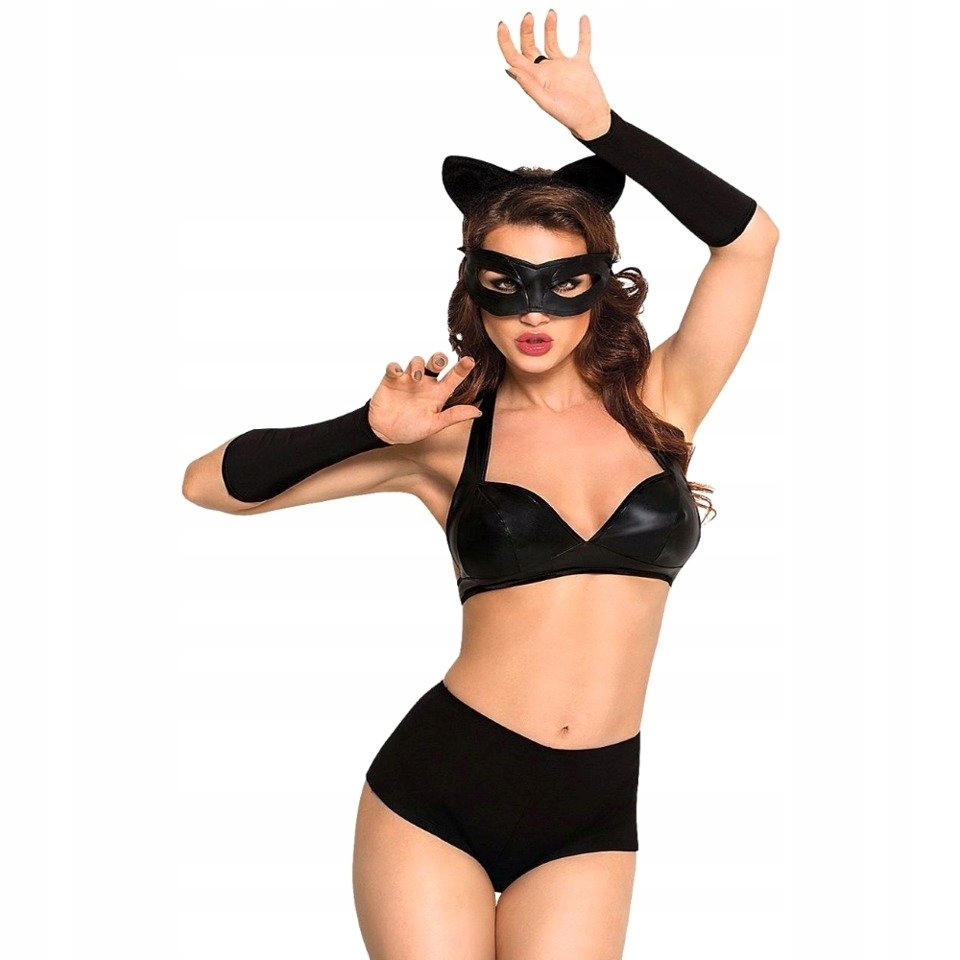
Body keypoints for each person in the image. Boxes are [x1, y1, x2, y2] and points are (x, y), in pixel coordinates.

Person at [182, 11, 778, 959]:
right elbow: (209, 484)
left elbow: (749, 242)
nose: (534, 314)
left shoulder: (663, 402)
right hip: (441, 790)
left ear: (600, 285)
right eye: (508, 284)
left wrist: (604, 130)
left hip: (592, 811)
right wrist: (366, 429)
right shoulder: (447, 437)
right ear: (474, 292)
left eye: (561, 283)